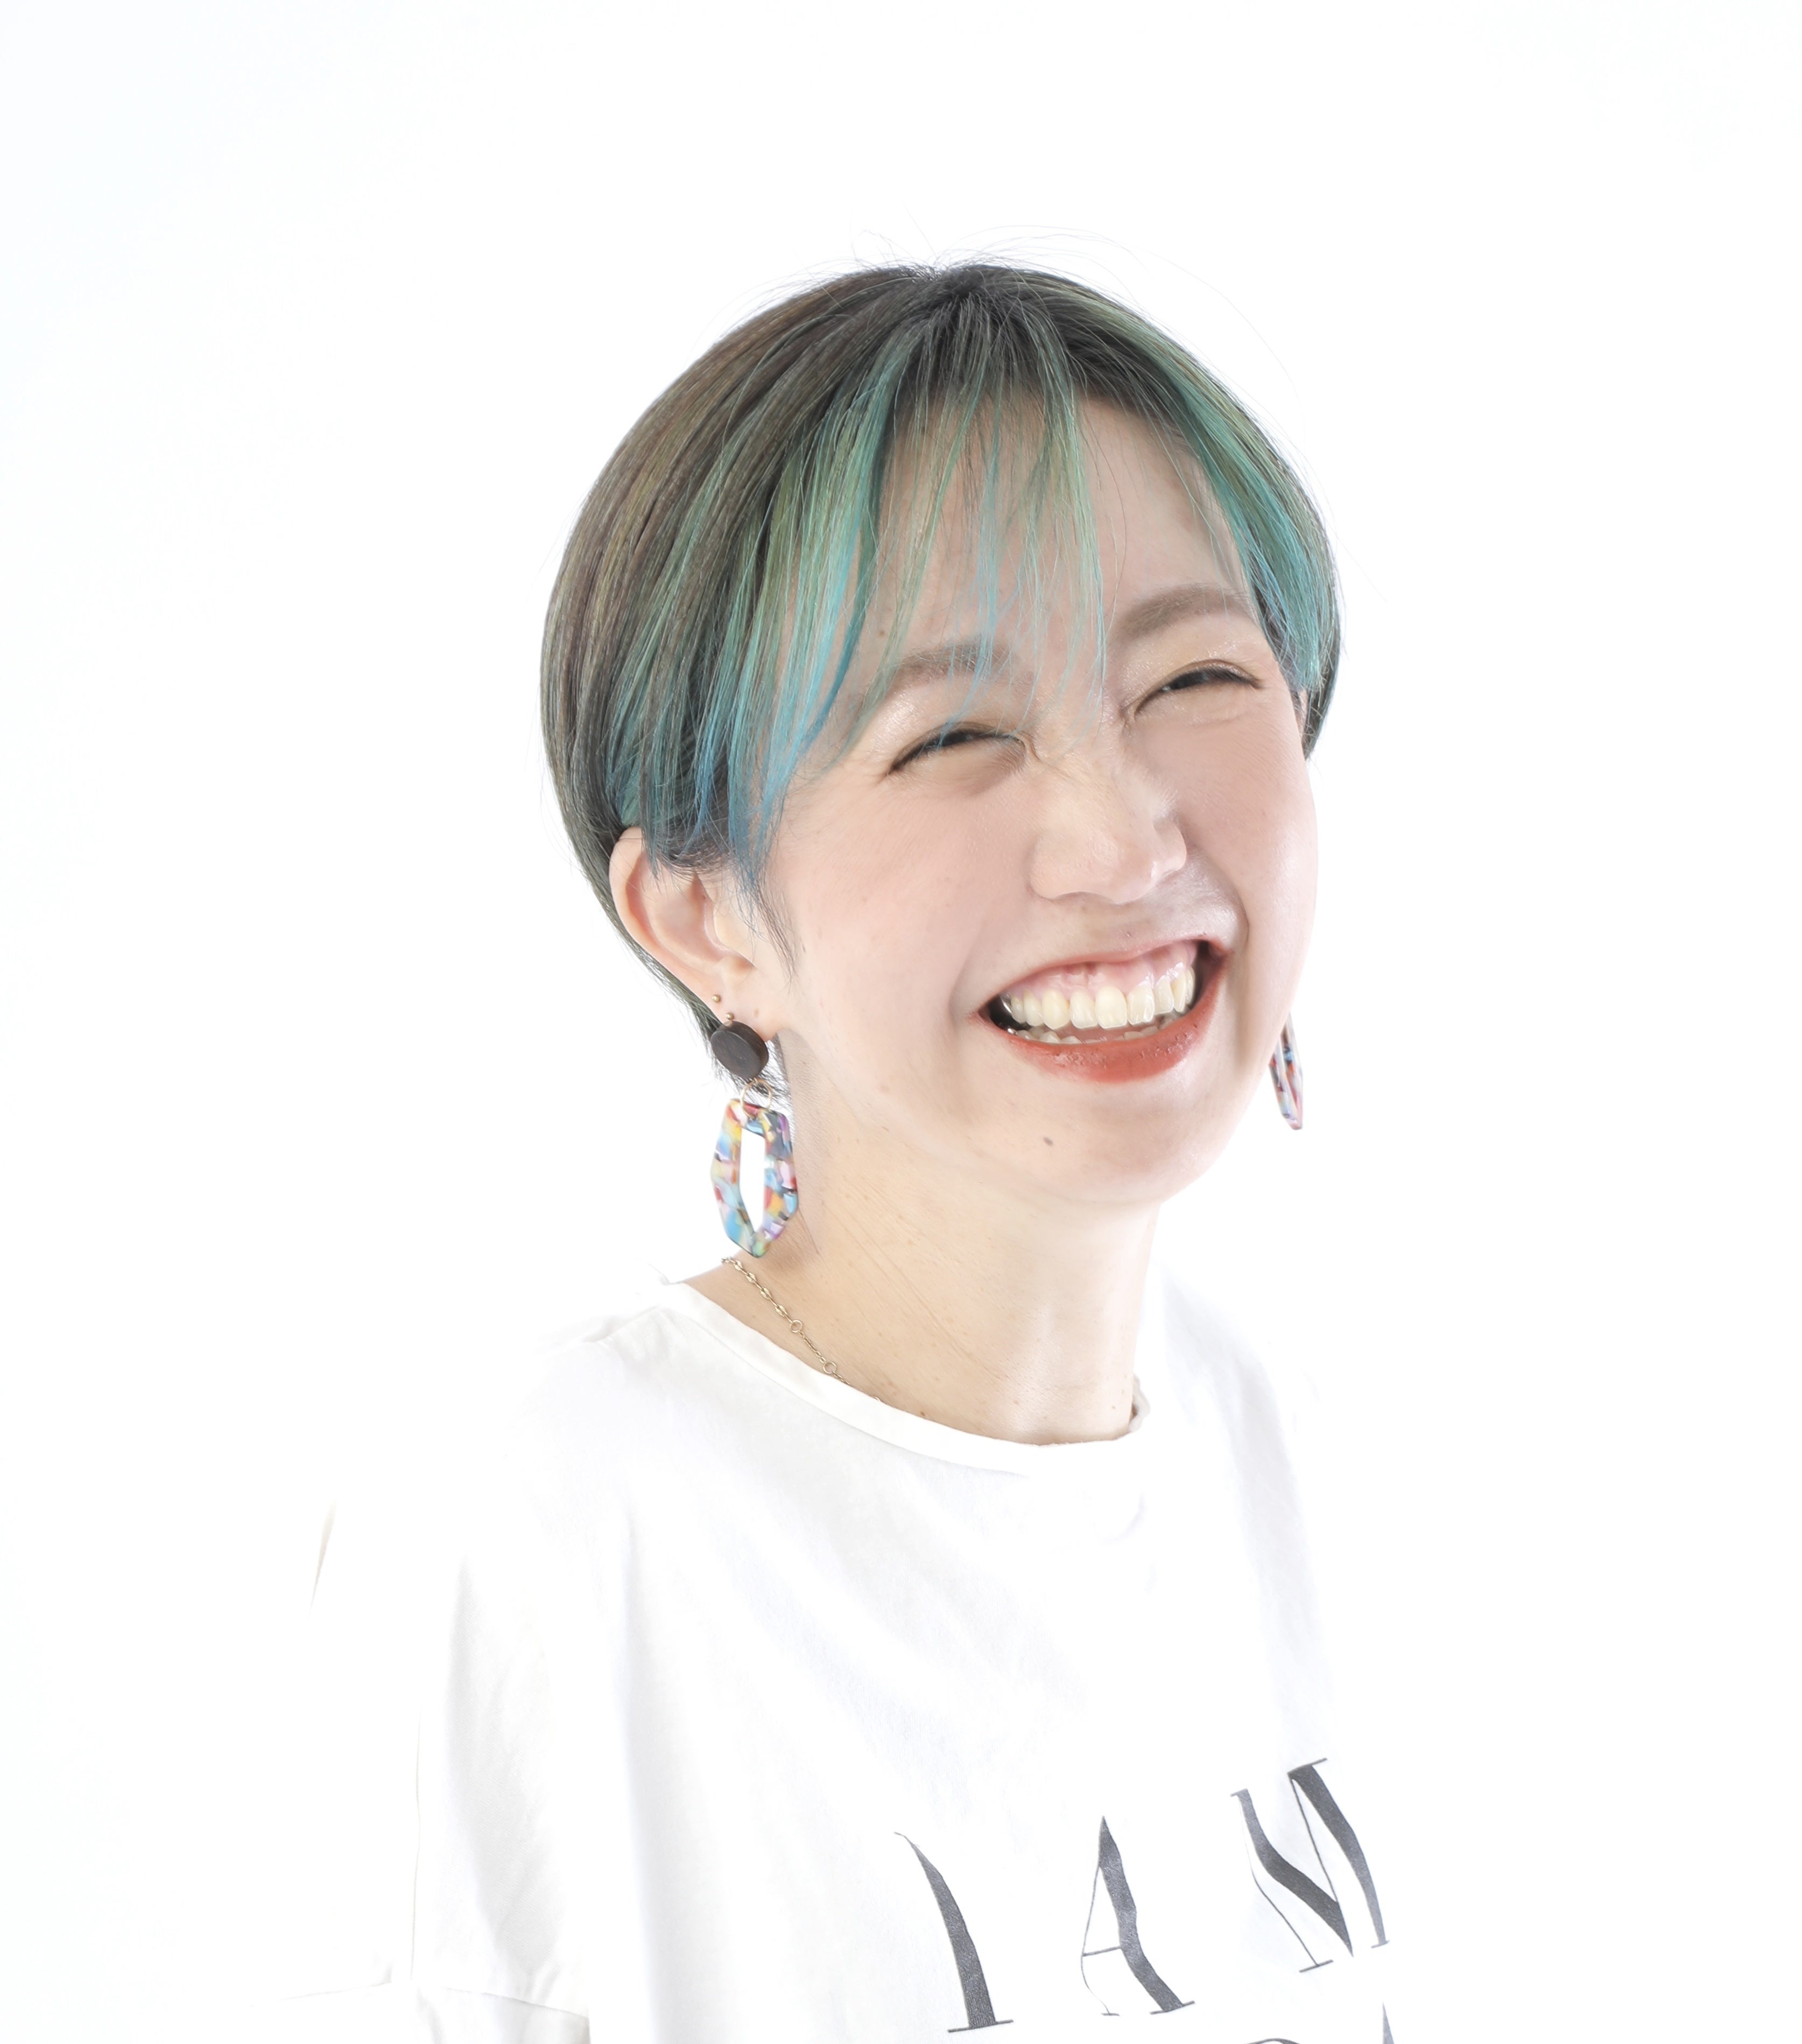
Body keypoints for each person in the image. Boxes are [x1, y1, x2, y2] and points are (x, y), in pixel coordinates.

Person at [281, 264, 1395, 2043]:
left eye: (1192, 675)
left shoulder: (1317, 1449)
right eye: (952, 734)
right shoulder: (541, 1520)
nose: (1123, 843)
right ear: (706, 921)